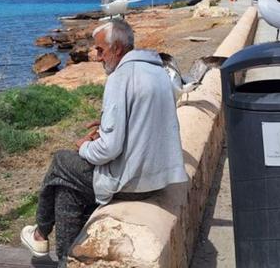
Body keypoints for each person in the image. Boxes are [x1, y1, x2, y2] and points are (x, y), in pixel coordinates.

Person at [20, 19, 188, 266]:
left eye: (100, 50)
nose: (96, 57)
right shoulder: (158, 71)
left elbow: (109, 149)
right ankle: (67, 259)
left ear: (117, 49)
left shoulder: (119, 78)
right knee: (67, 190)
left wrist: (84, 147)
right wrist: (105, 126)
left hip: (132, 182)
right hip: (158, 178)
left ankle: (40, 233)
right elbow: (145, 120)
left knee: (61, 162)